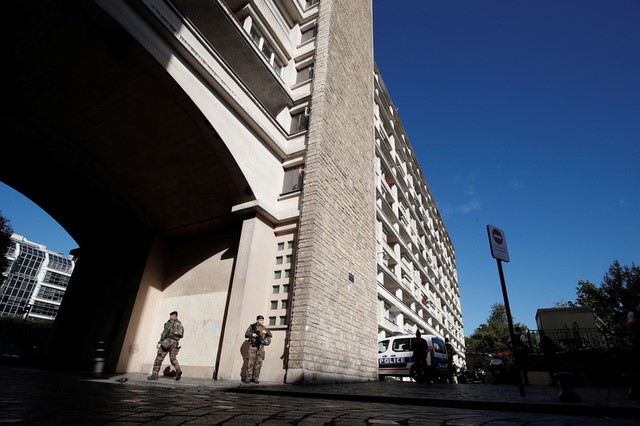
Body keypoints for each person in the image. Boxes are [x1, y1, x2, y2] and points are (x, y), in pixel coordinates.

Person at [147, 311, 184, 381]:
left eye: (171, 316)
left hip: (168, 342)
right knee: (173, 359)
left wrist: (160, 342)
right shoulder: (180, 324)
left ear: (174, 316)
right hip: (175, 343)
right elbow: (181, 335)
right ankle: (178, 370)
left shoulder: (170, 322)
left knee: (159, 358)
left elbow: (165, 332)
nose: (170, 317)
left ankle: (154, 375)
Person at [244, 315, 272, 384]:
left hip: (260, 347)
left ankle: (255, 378)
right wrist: (252, 334)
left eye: (262, 320)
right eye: (260, 320)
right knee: (250, 362)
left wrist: (266, 332)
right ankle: (248, 378)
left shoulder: (264, 328)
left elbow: (271, 335)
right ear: (257, 320)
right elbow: (246, 334)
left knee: (258, 363)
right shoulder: (252, 326)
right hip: (252, 346)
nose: (262, 321)